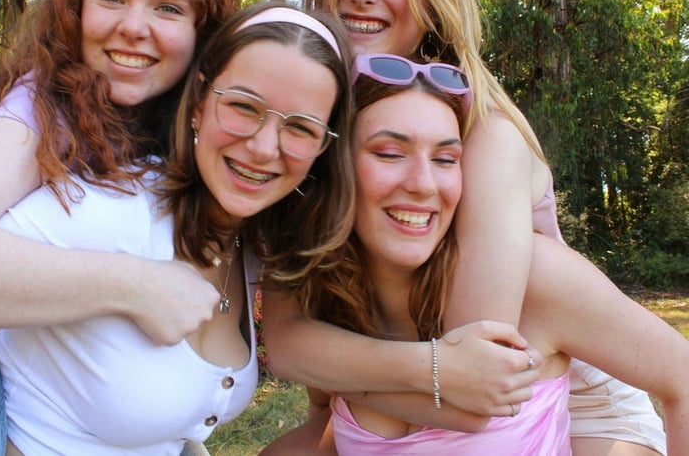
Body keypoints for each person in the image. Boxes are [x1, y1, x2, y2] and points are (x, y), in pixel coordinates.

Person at [262, 0, 667, 454]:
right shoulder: (317, 123)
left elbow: (465, 387)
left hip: (567, 395)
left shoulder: (485, 132)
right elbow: (285, 340)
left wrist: (338, 373)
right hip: (413, 396)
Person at [0, 0, 237, 454]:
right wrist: (131, 285)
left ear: (202, 29)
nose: (132, 27)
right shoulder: (46, 109)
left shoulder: (190, 132)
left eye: (167, 8)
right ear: (76, 5)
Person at [265, 56, 689, 455]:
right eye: (390, 153)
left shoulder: (536, 282)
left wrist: (346, 380)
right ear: (335, 170)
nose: (423, 183)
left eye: (446, 159)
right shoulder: (334, 301)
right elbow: (326, 431)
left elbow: (682, 376)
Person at [0, 1, 354, 454]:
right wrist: (125, 284)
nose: (264, 148)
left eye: (300, 128)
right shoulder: (117, 208)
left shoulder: (251, 246)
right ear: (199, 103)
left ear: (323, 148)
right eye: (244, 106)